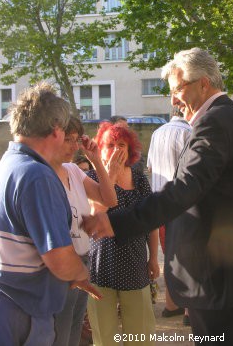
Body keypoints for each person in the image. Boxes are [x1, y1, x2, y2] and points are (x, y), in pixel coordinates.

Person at [83, 48, 233, 345]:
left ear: (203, 82)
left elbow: (183, 189)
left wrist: (116, 222)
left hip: (215, 271)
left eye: (177, 89)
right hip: (232, 264)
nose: (173, 100)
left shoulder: (214, 122)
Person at [0, 83, 89, 346]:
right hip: (22, 311)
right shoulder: (37, 175)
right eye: (65, 131)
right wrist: (82, 273)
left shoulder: (8, 165)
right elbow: (60, 259)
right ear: (55, 130)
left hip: (3, 305)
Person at [87, 122, 159, 346]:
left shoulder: (139, 180)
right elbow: (94, 215)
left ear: (130, 150)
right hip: (101, 266)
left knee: (140, 335)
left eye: (121, 145)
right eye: (110, 145)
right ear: (100, 148)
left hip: (134, 265)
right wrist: (108, 176)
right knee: (103, 336)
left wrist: (154, 258)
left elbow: (151, 222)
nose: (116, 149)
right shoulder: (91, 177)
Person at [51, 116, 117, 346]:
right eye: (68, 139)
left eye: (76, 140)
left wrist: (97, 161)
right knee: (61, 329)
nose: (73, 146)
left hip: (83, 258)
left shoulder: (74, 170)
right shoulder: (43, 173)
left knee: (75, 326)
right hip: (64, 261)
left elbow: (110, 198)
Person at [147, 106, 191, 324]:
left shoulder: (157, 133)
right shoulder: (189, 132)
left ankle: (171, 304)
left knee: (170, 256)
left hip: (159, 204)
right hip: (182, 205)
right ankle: (189, 311)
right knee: (188, 257)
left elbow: (149, 167)